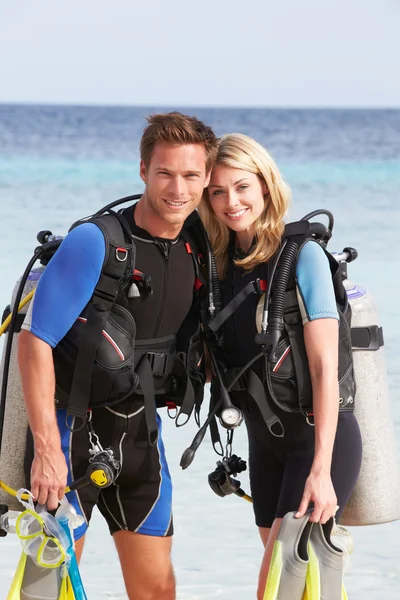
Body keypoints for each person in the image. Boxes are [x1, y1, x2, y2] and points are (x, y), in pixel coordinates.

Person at [17, 112, 218, 600]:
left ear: (207, 178)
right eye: (165, 172)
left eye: (192, 175)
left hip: (143, 441)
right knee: (48, 590)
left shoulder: (200, 245)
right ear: (143, 170)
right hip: (69, 440)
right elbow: (35, 340)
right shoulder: (98, 241)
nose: (178, 188)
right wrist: (46, 451)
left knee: (156, 592)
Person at [199, 133, 362, 598]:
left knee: (274, 588)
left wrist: (322, 470)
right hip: (265, 446)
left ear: (266, 186)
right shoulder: (221, 266)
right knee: (298, 589)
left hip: (316, 440)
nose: (231, 201)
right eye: (217, 191)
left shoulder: (301, 257)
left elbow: (324, 370)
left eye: (242, 187)